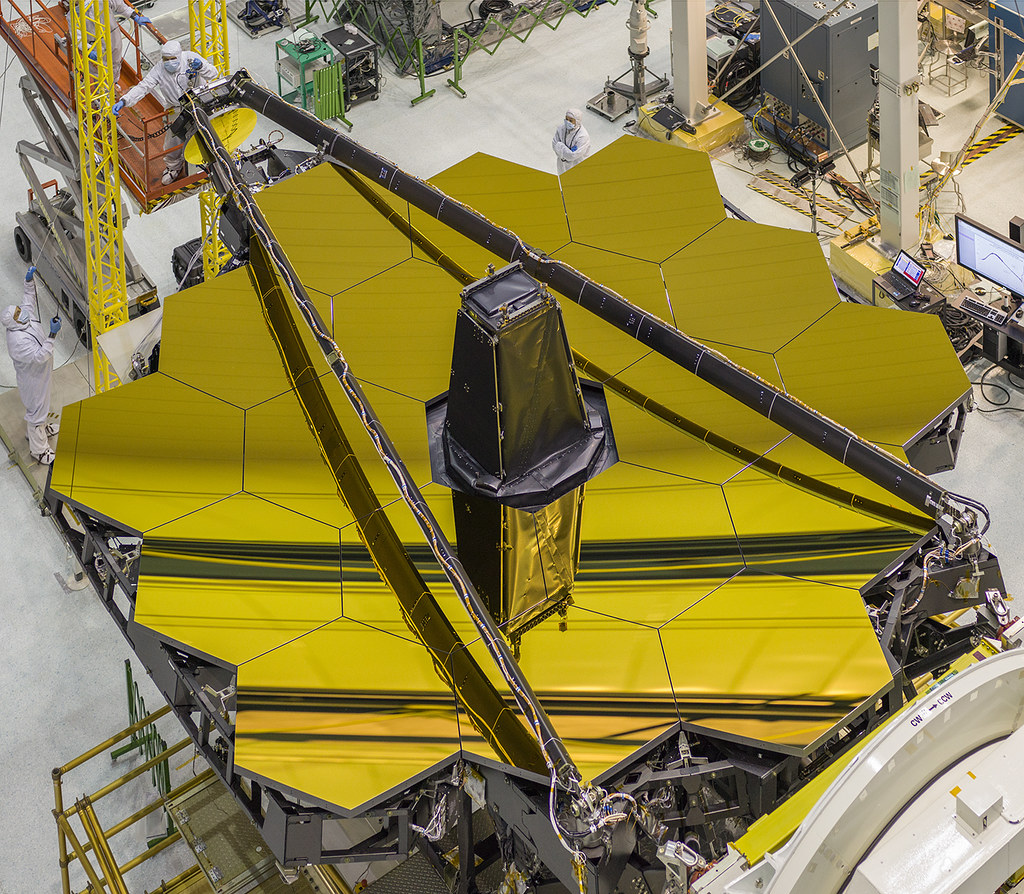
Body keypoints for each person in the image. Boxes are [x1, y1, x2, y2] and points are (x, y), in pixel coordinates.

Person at [113, 40, 218, 185]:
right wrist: (124, 100)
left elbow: (213, 73)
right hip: (176, 108)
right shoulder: (159, 69)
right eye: (165, 59)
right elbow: (144, 86)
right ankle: (173, 168)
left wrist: (201, 67)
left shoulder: (190, 58)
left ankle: (215, 158)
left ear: (179, 55)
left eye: (172, 59)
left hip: (200, 103)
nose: (169, 62)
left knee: (209, 132)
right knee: (173, 140)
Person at [2, 266, 61, 465]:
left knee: (42, 408)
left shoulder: (21, 320)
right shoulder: (17, 341)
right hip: (33, 380)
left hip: (41, 374)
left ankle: (41, 430)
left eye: (19, 310)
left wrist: (29, 280)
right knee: (37, 412)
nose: (22, 312)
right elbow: (39, 356)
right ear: (13, 323)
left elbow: (29, 299)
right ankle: (39, 450)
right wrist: (53, 334)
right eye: (18, 313)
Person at [62, 0, 151, 80]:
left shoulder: (101, 1)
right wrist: (88, 50)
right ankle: (101, 92)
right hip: (94, 45)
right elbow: (77, 37)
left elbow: (121, 6)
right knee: (98, 71)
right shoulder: (73, 15)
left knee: (115, 62)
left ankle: (114, 84)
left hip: (112, 37)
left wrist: (135, 16)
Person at [552, 108, 591, 175]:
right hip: (561, 164)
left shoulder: (582, 136)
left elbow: (572, 155)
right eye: (566, 119)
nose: (567, 122)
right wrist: (566, 151)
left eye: (571, 120)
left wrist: (560, 146)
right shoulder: (561, 128)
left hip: (577, 166)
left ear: (577, 121)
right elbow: (554, 144)